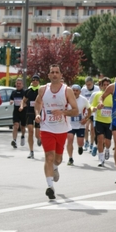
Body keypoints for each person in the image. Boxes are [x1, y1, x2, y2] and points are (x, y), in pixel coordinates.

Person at [34, 64, 79, 200]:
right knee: (48, 156)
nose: (54, 74)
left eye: (56, 72)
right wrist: (37, 114)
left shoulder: (67, 91)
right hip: (46, 128)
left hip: (61, 129)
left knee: (58, 159)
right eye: (52, 72)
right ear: (48, 75)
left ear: (60, 75)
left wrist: (63, 112)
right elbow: (37, 103)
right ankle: (50, 187)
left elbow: (75, 110)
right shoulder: (43, 89)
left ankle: (55, 167)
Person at [66, 84, 92, 165]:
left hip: (80, 124)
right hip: (70, 124)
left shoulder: (83, 100)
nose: (75, 92)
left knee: (80, 142)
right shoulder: (67, 99)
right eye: (73, 90)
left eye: (77, 90)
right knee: (70, 140)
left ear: (80, 92)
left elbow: (90, 110)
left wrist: (86, 119)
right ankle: (70, 158)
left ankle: (80, 147)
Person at [91, 77, 113, 167]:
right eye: (104, 85)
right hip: (99, 120)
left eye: (108, 85)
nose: (106, 86)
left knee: (107, 142)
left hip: (110, 121)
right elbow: (91, 106)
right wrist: (95, 108)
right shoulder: (97, 95)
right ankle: (101, 158)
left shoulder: (113, 95)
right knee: (100, 139)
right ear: (101, 86)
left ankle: (107, 149)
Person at [21, 74, 42, 159]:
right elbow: (23, 100)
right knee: (30, 131)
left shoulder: (41, 90)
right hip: (29, 113)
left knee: (37, 134)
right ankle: (31, 151)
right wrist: (22, 106)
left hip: (38, 114)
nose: (35, 81)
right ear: (32, 81)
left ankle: (39, 138)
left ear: (39, 81)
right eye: (34, 80)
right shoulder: (28, 91)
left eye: (37, 80)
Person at [81, 76, 100, 154]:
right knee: (86, 127)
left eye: (89, 84)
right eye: (87, 84)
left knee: (92, 129)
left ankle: (92, 144)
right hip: (86, 110)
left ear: (92, 83)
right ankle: (86, 142)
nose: (88, 86)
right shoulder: (83, 89)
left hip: (94, 110)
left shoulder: (97, 89)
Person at [10, 78, 26, 148]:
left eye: (20, 84)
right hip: (16, 111)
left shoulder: (25, 92)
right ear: (15, 84)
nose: (18, 85)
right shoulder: (13, 92)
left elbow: (27, 102)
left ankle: (22, 136)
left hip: (23, 112)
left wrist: (23, 106)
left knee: (22, 127)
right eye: (17, 83)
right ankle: (14, 140)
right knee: (15, 126)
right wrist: (11, 101)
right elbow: (11, 98)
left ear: (22, 85)